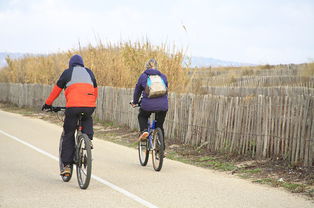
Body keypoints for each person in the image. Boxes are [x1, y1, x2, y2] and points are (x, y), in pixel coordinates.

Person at [42, 54, 98, 176]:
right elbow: (95, 91)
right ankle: (88, 138)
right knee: (87, 117)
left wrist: (48, 104)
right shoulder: (89, 72)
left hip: (73, 107)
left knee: (68, 133)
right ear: (82, 64)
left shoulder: (67, 73)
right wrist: (90, 103)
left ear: (71, 64)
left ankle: (67, 166)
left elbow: (56, 91)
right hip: (89, 106)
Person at [131, 58, 168, 146]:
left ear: (146, 67)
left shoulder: (143, 76)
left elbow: (137, 91)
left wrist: (135, 102)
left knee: (142, 116)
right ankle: (161, 149)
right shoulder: (163, 76)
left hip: (147, 105)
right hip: (163, 106)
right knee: (159, 126)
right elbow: (166, 91)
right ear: (157, 67)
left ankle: (144, 131)